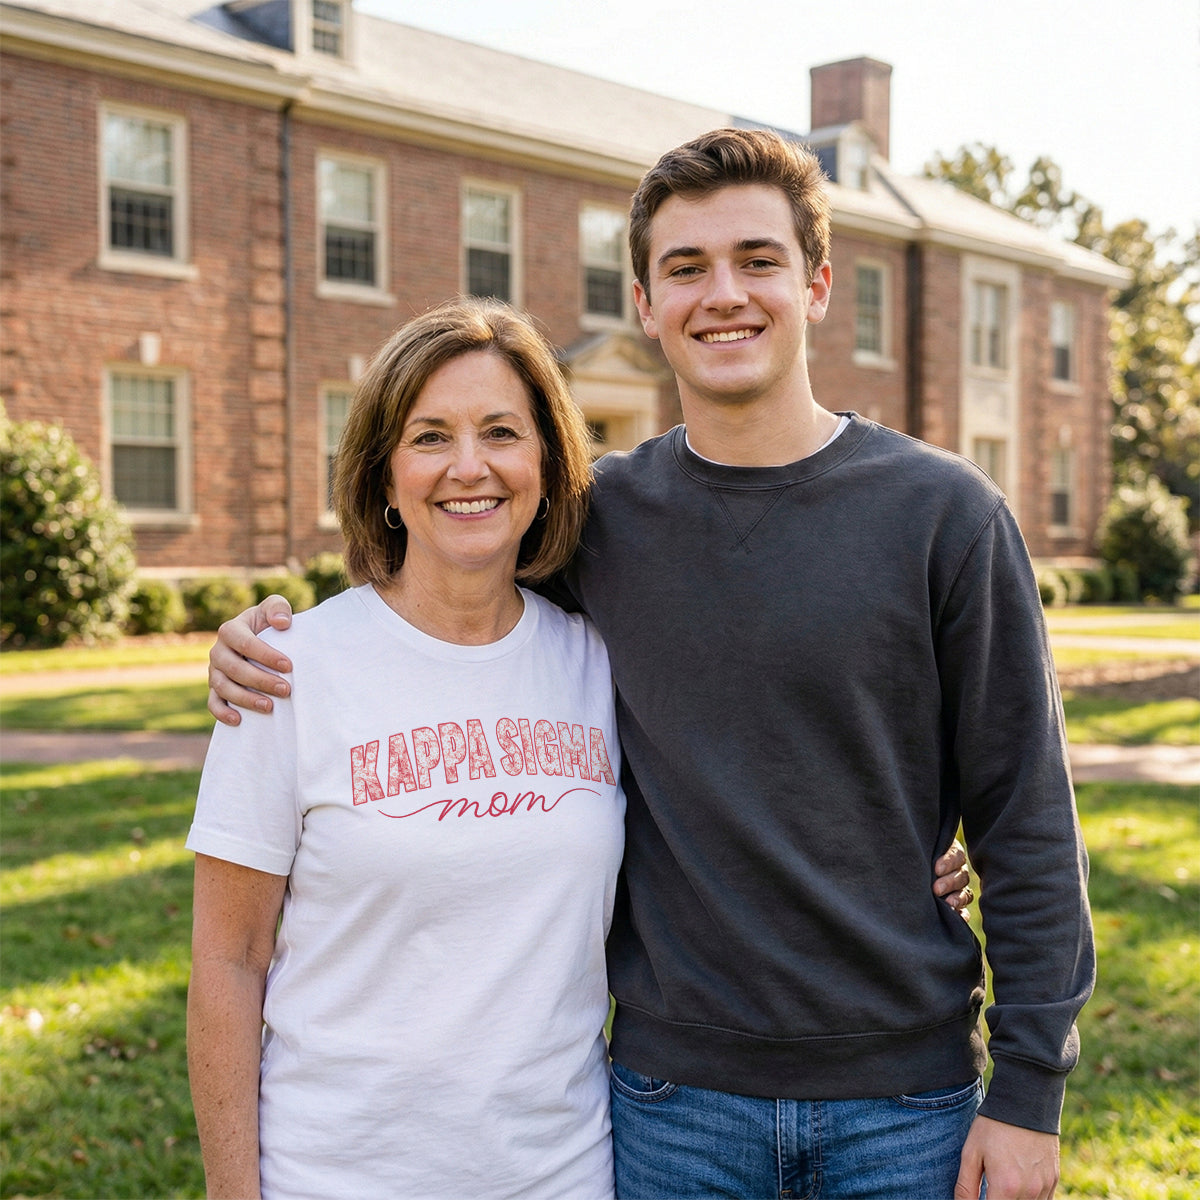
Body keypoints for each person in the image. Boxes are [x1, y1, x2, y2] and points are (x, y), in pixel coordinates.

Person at [207, 129, 1091, 1200]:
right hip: (675, 1109)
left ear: (816, 284)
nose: (724, 294)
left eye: (756, 260)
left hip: (905, 1102)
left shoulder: (947, 516)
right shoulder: (602, 524)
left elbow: (1028, 818)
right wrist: (258, 638)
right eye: (686, 268)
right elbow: (447, 583)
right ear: (643, 302)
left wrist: (1030, 1087)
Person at [186, 297, 626, 1199]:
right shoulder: (286, 671)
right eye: (430, 437)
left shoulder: (601, 664)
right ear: (385, 479)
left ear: (545, 462)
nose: (470, 467)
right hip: (337, 1176)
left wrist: (907, 855)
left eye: (502, 432)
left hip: (562, 1175)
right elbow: (229, 963)